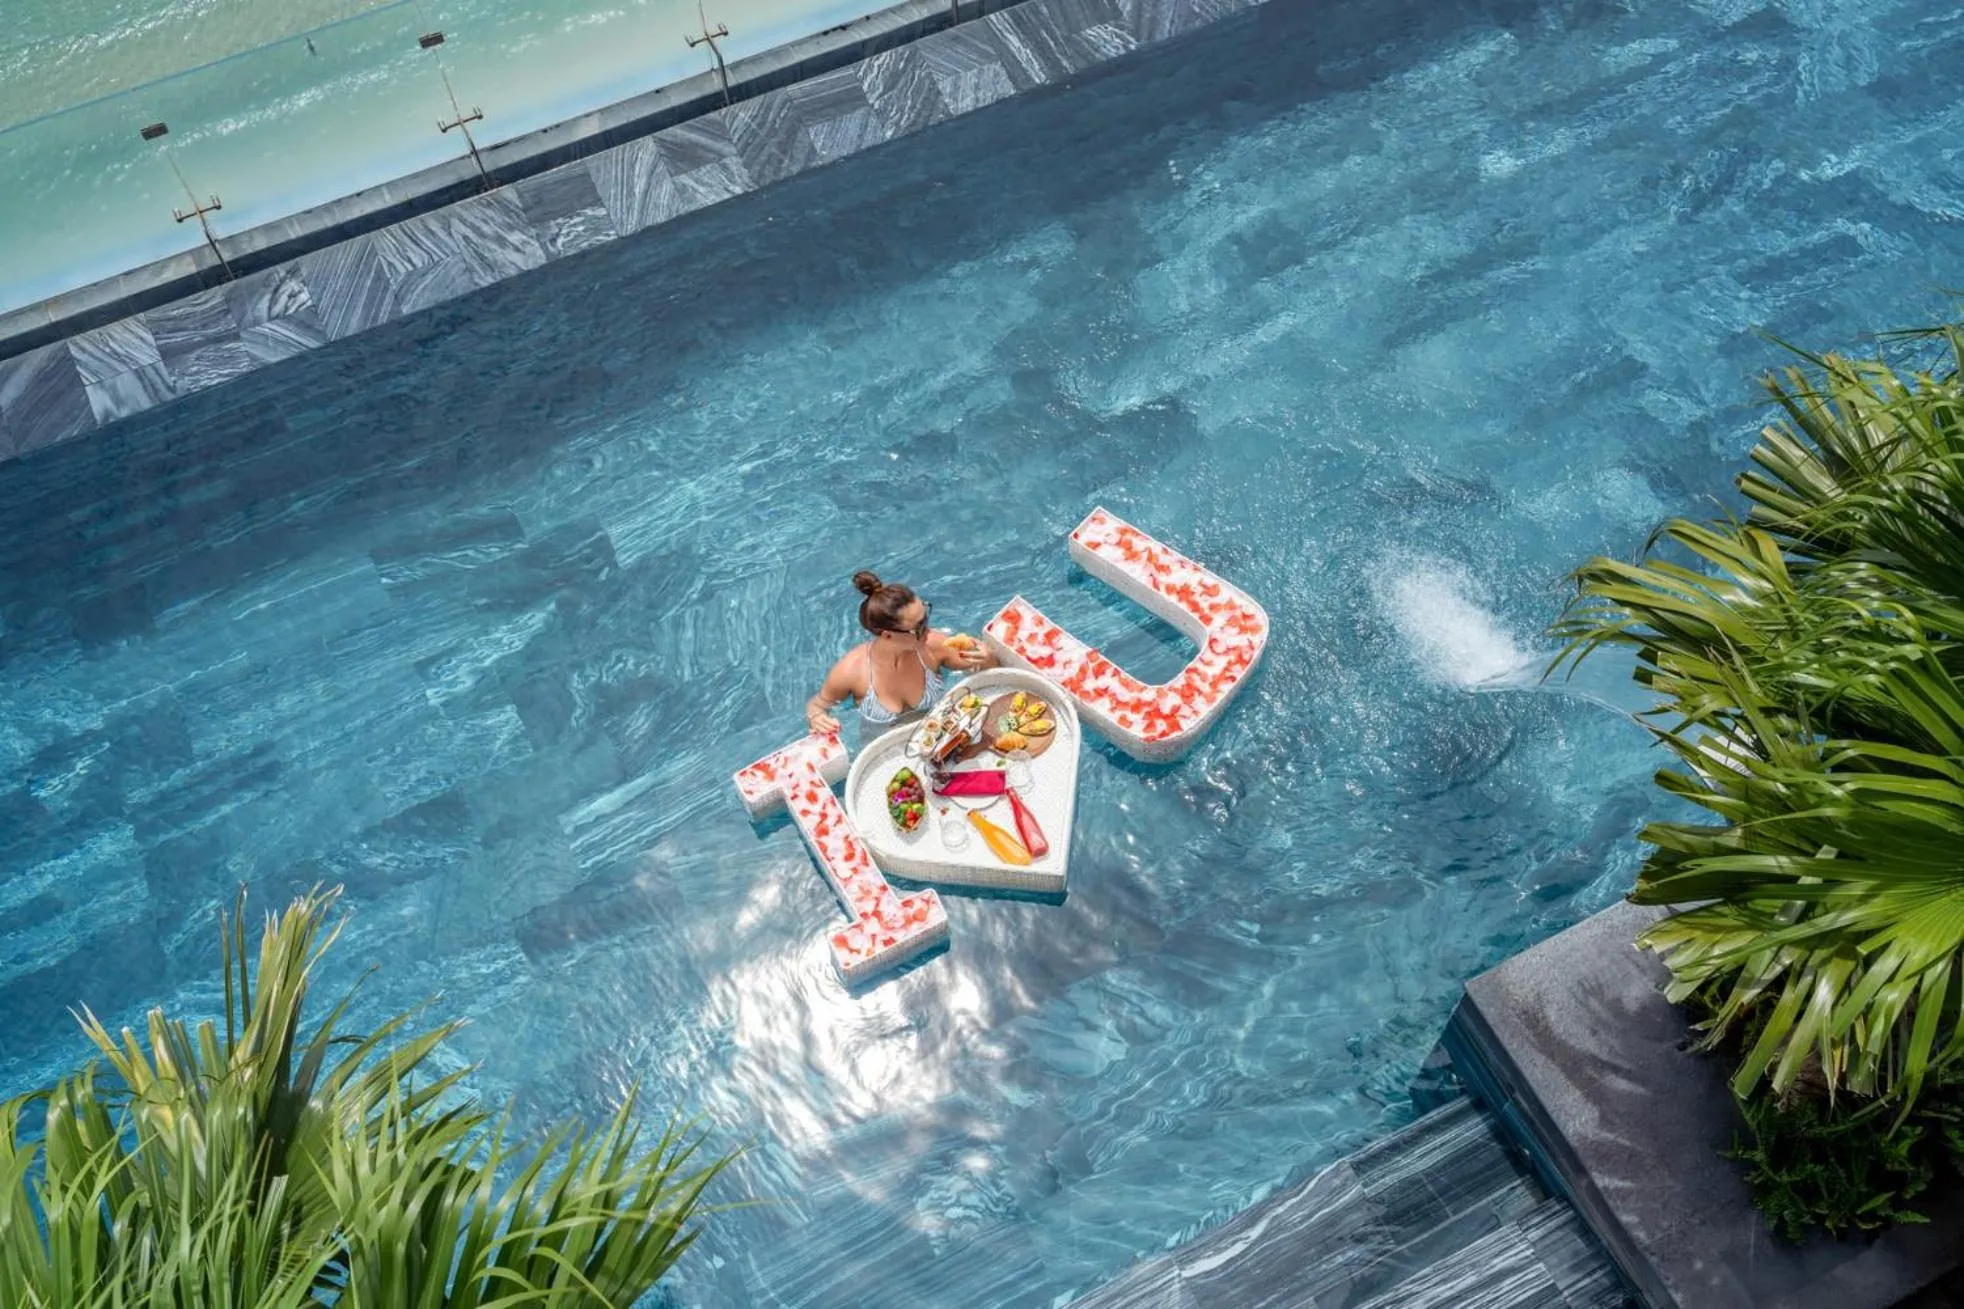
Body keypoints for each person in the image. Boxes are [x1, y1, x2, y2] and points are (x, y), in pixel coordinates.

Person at [806, 571, 994, 736]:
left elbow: (992, 675)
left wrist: (986, 658)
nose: (928, 630)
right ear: (887, 635)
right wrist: (817, 718)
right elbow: (817, 705)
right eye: (918, 627)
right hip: (884, 752)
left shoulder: (935, 645)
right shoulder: (851, 671)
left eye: (925, 616)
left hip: (939, 738)